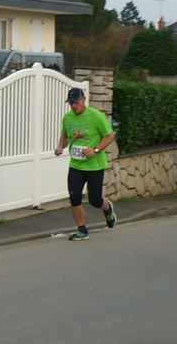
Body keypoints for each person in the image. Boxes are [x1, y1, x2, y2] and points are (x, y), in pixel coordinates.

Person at [54, 88, 116, 242]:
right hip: (76, 166)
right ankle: (82, 229)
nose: (74, 106)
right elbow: (65, 135)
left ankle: (107, 208)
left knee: (95, 200)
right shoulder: (68, 118)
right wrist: (60, 146)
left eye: (76, 102)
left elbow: (110, 136)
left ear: (84, 99)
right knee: (74, 196)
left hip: (95, 166)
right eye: (71, 103)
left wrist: (95, 149)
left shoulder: (96, 116)